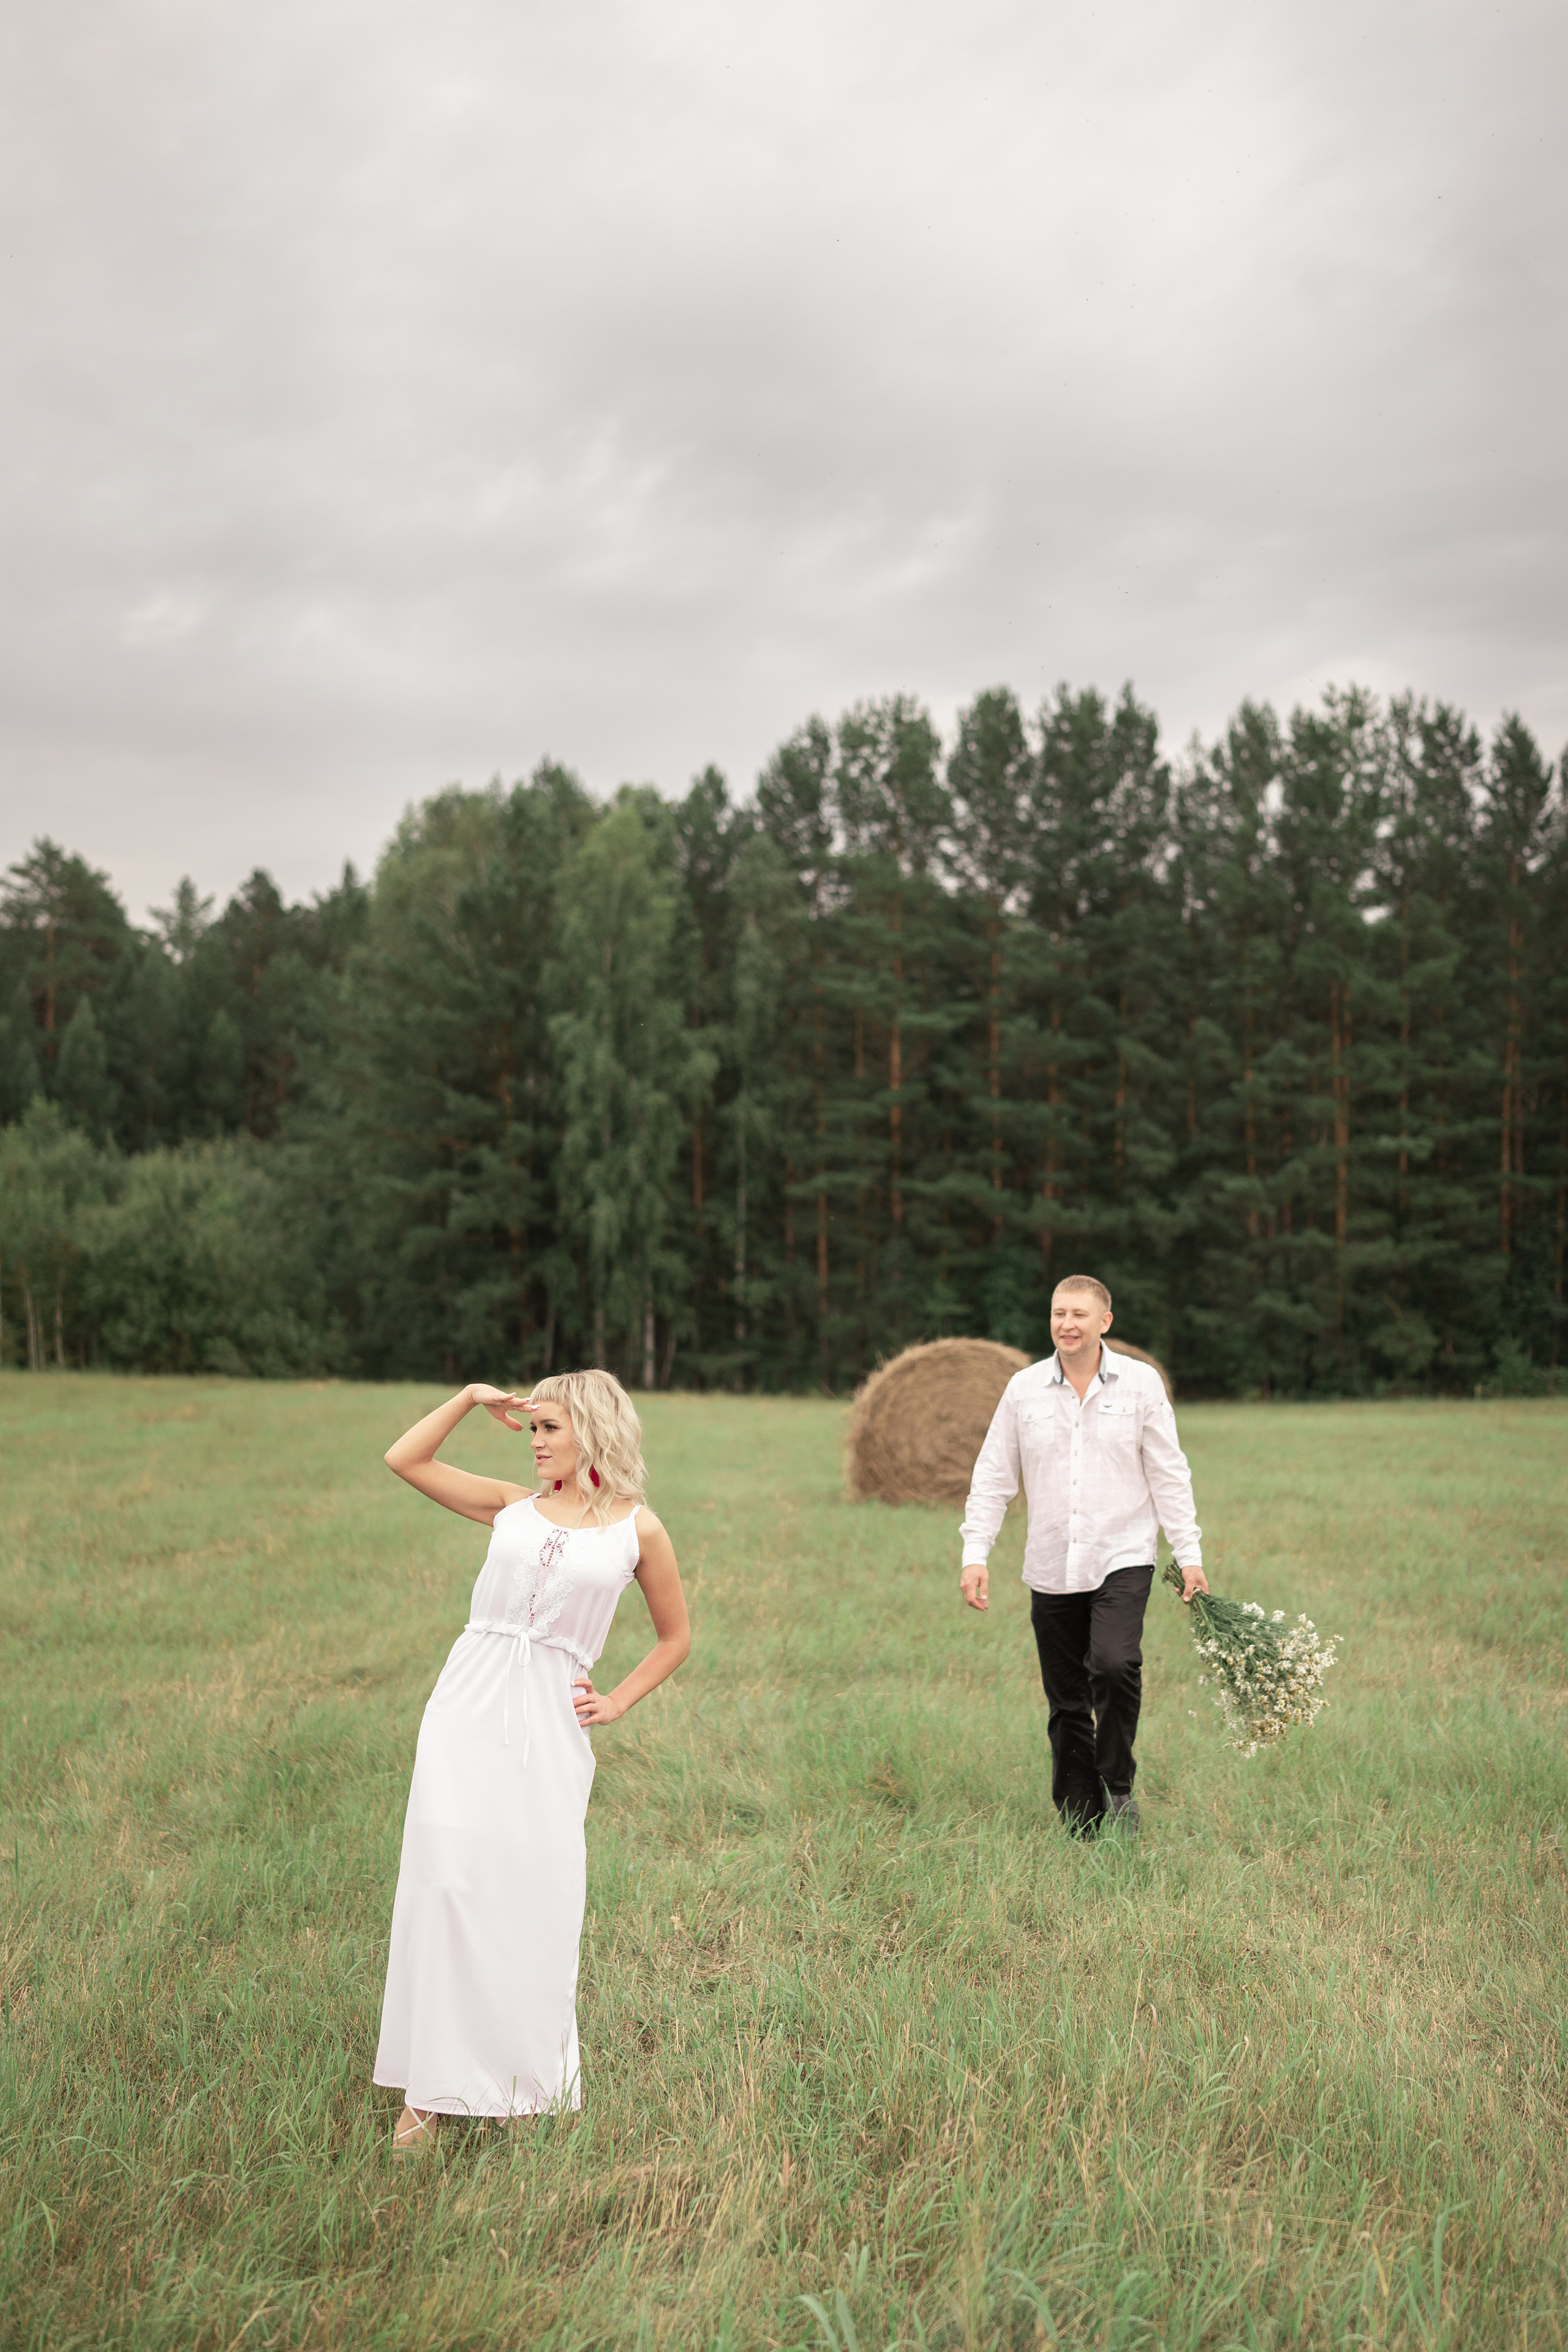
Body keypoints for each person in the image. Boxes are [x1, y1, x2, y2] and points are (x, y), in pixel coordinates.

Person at [373, 1370, 690, 2150]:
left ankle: (519, 2084)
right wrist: (469, 1399)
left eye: (550, 1428)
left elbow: (676, 1638)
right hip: (464, 1705)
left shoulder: (636, 1529)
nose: (537, 1441)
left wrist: (614, 1701)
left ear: (591, 1430)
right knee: (446, 1882)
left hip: (550, 1721)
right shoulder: (512, 1506)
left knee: (527, 1893)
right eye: (535, 1427)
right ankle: (429, 2094)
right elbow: (404, 1460)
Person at [958, 1276, 1207, 1836]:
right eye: (1057, 1313)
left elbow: (1169, 1473)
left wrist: (1188, 1554)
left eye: (1078, 1314)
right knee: (1066, 1697)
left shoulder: (1141, 1385)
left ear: (1104, 1322)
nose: (1066, 1323)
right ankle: (1081, 1817)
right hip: (1050, 1561)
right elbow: (994, 1475)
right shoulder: (1023, 1389)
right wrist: (976, 1553)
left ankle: (1118, 1787)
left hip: (1123, 1553)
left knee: (1116, 1664)